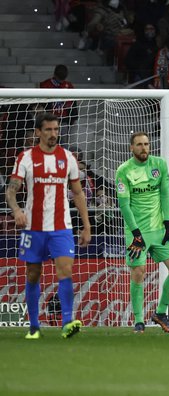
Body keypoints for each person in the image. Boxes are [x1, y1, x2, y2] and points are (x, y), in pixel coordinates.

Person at [6, 112, 91, 339]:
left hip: (61, 227)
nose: (53, 134)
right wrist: (16, 211)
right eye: (48, 130)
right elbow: (11, 190)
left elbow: (78, 193)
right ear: (38, 132)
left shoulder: (68, 157)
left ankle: (67, 323)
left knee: (65, 270)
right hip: (33, 227)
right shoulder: (26, 157)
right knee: (33, 274)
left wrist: (86, 226)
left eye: (56, 129)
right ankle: (34, 327)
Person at [115, 132, 169, 334]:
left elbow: (165, 195)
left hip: (159, 230)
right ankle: (138, 321)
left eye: (146, 144)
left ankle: (160, 313)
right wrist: (136, 233)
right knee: (138, 273)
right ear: (131, 148)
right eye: (139, 145)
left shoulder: (159, 165)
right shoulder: (124, 170)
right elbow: (124, 205)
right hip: (137, 233)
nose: (144, 148)